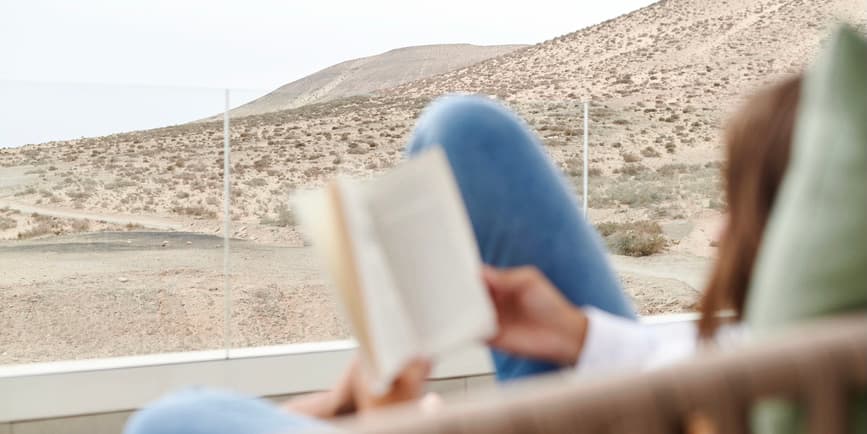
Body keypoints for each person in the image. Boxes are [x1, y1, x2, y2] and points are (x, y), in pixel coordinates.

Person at [124, 75, 801, 434]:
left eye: (735, 204)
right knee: (464, 131)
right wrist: (584, 338)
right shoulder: (814, 351)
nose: (714, 231)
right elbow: (722, 366)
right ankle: (350, 400)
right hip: (634, 393)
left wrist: (413, 424)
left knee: (174, 420)